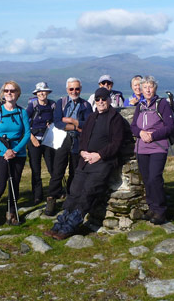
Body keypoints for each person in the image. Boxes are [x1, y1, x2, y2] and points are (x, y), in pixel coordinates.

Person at [44, 87, 125, 240]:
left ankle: (70, 226)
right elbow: (83, 137)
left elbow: (117, 143)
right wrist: (82, 152)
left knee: (88, 192)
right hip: (85, 161)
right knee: (74, 191)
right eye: (98, 99)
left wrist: (99, 155)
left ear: (109, 100)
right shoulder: (92, 117)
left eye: (103, 99)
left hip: (102, 163)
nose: (101, 102)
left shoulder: (115, 119)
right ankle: (60, 223)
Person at [0, 81, 30, 227]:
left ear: (18, 93)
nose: (9, 93)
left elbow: (27, 134)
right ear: (3, 94)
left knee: (14, 184)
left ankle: (12, 214)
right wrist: (6, 151)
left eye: (12, 90)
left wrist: (15, 151)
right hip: (1, 153)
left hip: (19, 153)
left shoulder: (22, 112)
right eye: (6, 90)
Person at [45, 77, 92, 216]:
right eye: (71, 89)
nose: (74, 91)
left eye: (77, 88)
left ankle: (70, 200)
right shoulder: (61, 102)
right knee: (57, 171)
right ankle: (51, 200)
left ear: (80, 89)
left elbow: (87, 124)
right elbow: (57, 122)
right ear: (67, 90)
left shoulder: (86, 105)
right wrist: (76, 126)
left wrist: (71, 120)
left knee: (75, 171)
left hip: (78, 142)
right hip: (63, 141)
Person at [130, 76, 174, 225]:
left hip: (158, 147)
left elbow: (170, 126)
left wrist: (153, 135)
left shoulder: (162, 104)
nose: (148, 90)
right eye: (145, 87)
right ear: (141, 89)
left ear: (155, 88)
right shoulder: (140, 105)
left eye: (151, 87)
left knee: (155, 178)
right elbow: (133, 126)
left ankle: (161, 211)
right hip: (142, 148)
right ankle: (152, 208)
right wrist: (140, 133)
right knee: (147, 178)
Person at [26, 82, 56, 204]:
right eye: (39, 92)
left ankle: (54, 192)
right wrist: (32, 138)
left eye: (44, 91)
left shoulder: (53, 105)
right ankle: (37, 195)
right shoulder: (32, 105)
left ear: (47, 92)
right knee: (35, 168)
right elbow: (24, 123)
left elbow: (56, 120)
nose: (42, 93)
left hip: (48, 140)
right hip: (34, 140)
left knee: (52, 167)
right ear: (36, 94)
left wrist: (52, 125)